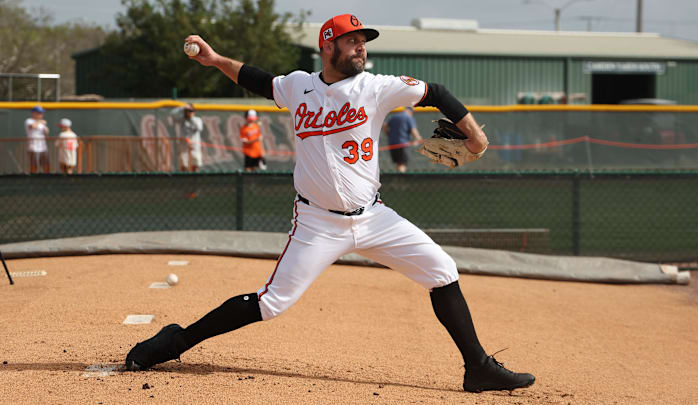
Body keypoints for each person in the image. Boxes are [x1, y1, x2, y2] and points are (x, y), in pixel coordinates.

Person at [125, 14, 535, 393]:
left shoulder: (375, 87)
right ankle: (176, 340)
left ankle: (477, 367)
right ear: (328, 46)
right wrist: (215, 60)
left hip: (374, 218)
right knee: (271, 303)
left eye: (363, 41)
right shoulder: (297, 85)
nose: (361, 47)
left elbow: (437, 93)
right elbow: (258, 79)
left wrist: (475, 135)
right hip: (317, 223)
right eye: (351, 41)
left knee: (442, 270)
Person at [383, 106, 422, 172]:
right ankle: (401, 180)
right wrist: (418, 138)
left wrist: (388, 134)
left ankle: (398, 178)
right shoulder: (409, 117)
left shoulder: (394, 117)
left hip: (392, 144)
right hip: (403, 145)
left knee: (398, 163)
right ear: (411, 112)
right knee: (402, 164)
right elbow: (413, 130)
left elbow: (385, 126)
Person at [171, 103, 204, 172]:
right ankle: (184, 180)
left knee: (195, 164)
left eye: (191, 110)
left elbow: (199, 128)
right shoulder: (182, 120)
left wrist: (191, 117)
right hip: (184, 146)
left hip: (195, 146)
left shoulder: (197, 119)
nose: (189, 112)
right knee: (184, 165)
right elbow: (172, 114)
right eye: (187, 111)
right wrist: (182, 108)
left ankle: (196, 180)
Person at [25, 105, 50, 174]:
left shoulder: (42, 123)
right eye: (39, 113)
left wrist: (45, 127)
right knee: (34, 165)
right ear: (34, 113)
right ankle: (33, 178)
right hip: (33, 147)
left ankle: (46, 178)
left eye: (41, 113)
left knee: (45, 164)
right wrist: (40, 122)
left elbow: (47, 133)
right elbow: (32, 126)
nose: (41, 114)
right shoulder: (29, 121)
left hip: (43, 147)